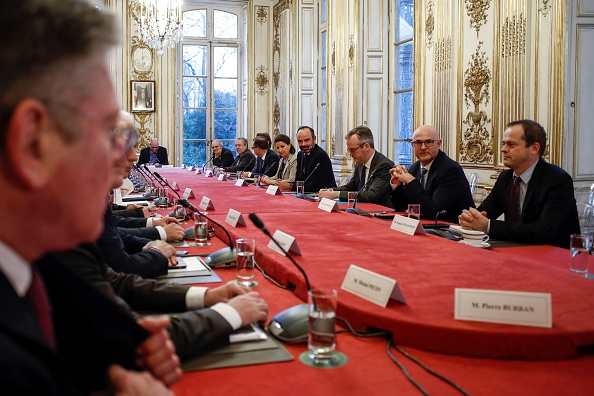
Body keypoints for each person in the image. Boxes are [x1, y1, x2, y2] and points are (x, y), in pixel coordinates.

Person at [0, 0, 179, 393]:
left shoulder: (35, 262)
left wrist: (107, 370)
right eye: (104, 134)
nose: (120, 159)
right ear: (32, 144)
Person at [459, 120, 580, 248]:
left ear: (534, 148)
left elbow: (544, 232)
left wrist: (488, 225)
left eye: (511, 145)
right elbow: (484, 213)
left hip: (554, 257)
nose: (503, 149)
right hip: (515, 250)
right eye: (503, 144)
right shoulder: (506, 178)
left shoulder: (557, 180)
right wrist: (470, 218)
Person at [389, 125, 475, 223]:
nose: (423, 147)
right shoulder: (415, 168)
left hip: (453, 231)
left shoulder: (450, 170)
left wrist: (410, 180)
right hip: (428, 227)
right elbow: (402, 206)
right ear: (412, 145)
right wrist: (396, 186)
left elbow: (433, 211)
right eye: (418, 143)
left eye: (428, 142)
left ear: (439, 143)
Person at [318, 126, 394, 207]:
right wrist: (331, 190)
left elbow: (371, 195)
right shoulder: (360, 164)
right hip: (361, 209)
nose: (350, 154)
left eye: (352, 150)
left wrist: (337, 194)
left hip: (380, 213)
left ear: (366, 146)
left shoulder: (384, 166)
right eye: (349, 150)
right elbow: (351, 187)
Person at [277, 126, 337, 192]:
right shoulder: (300, 154)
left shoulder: (320, 155)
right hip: (305, 194)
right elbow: (299, 180)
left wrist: (290, 186)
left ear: (314, 139)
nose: (303, 144)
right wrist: (285, 183)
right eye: (300, 141)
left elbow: (315, 185)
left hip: (324, 196)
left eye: (306, 140)